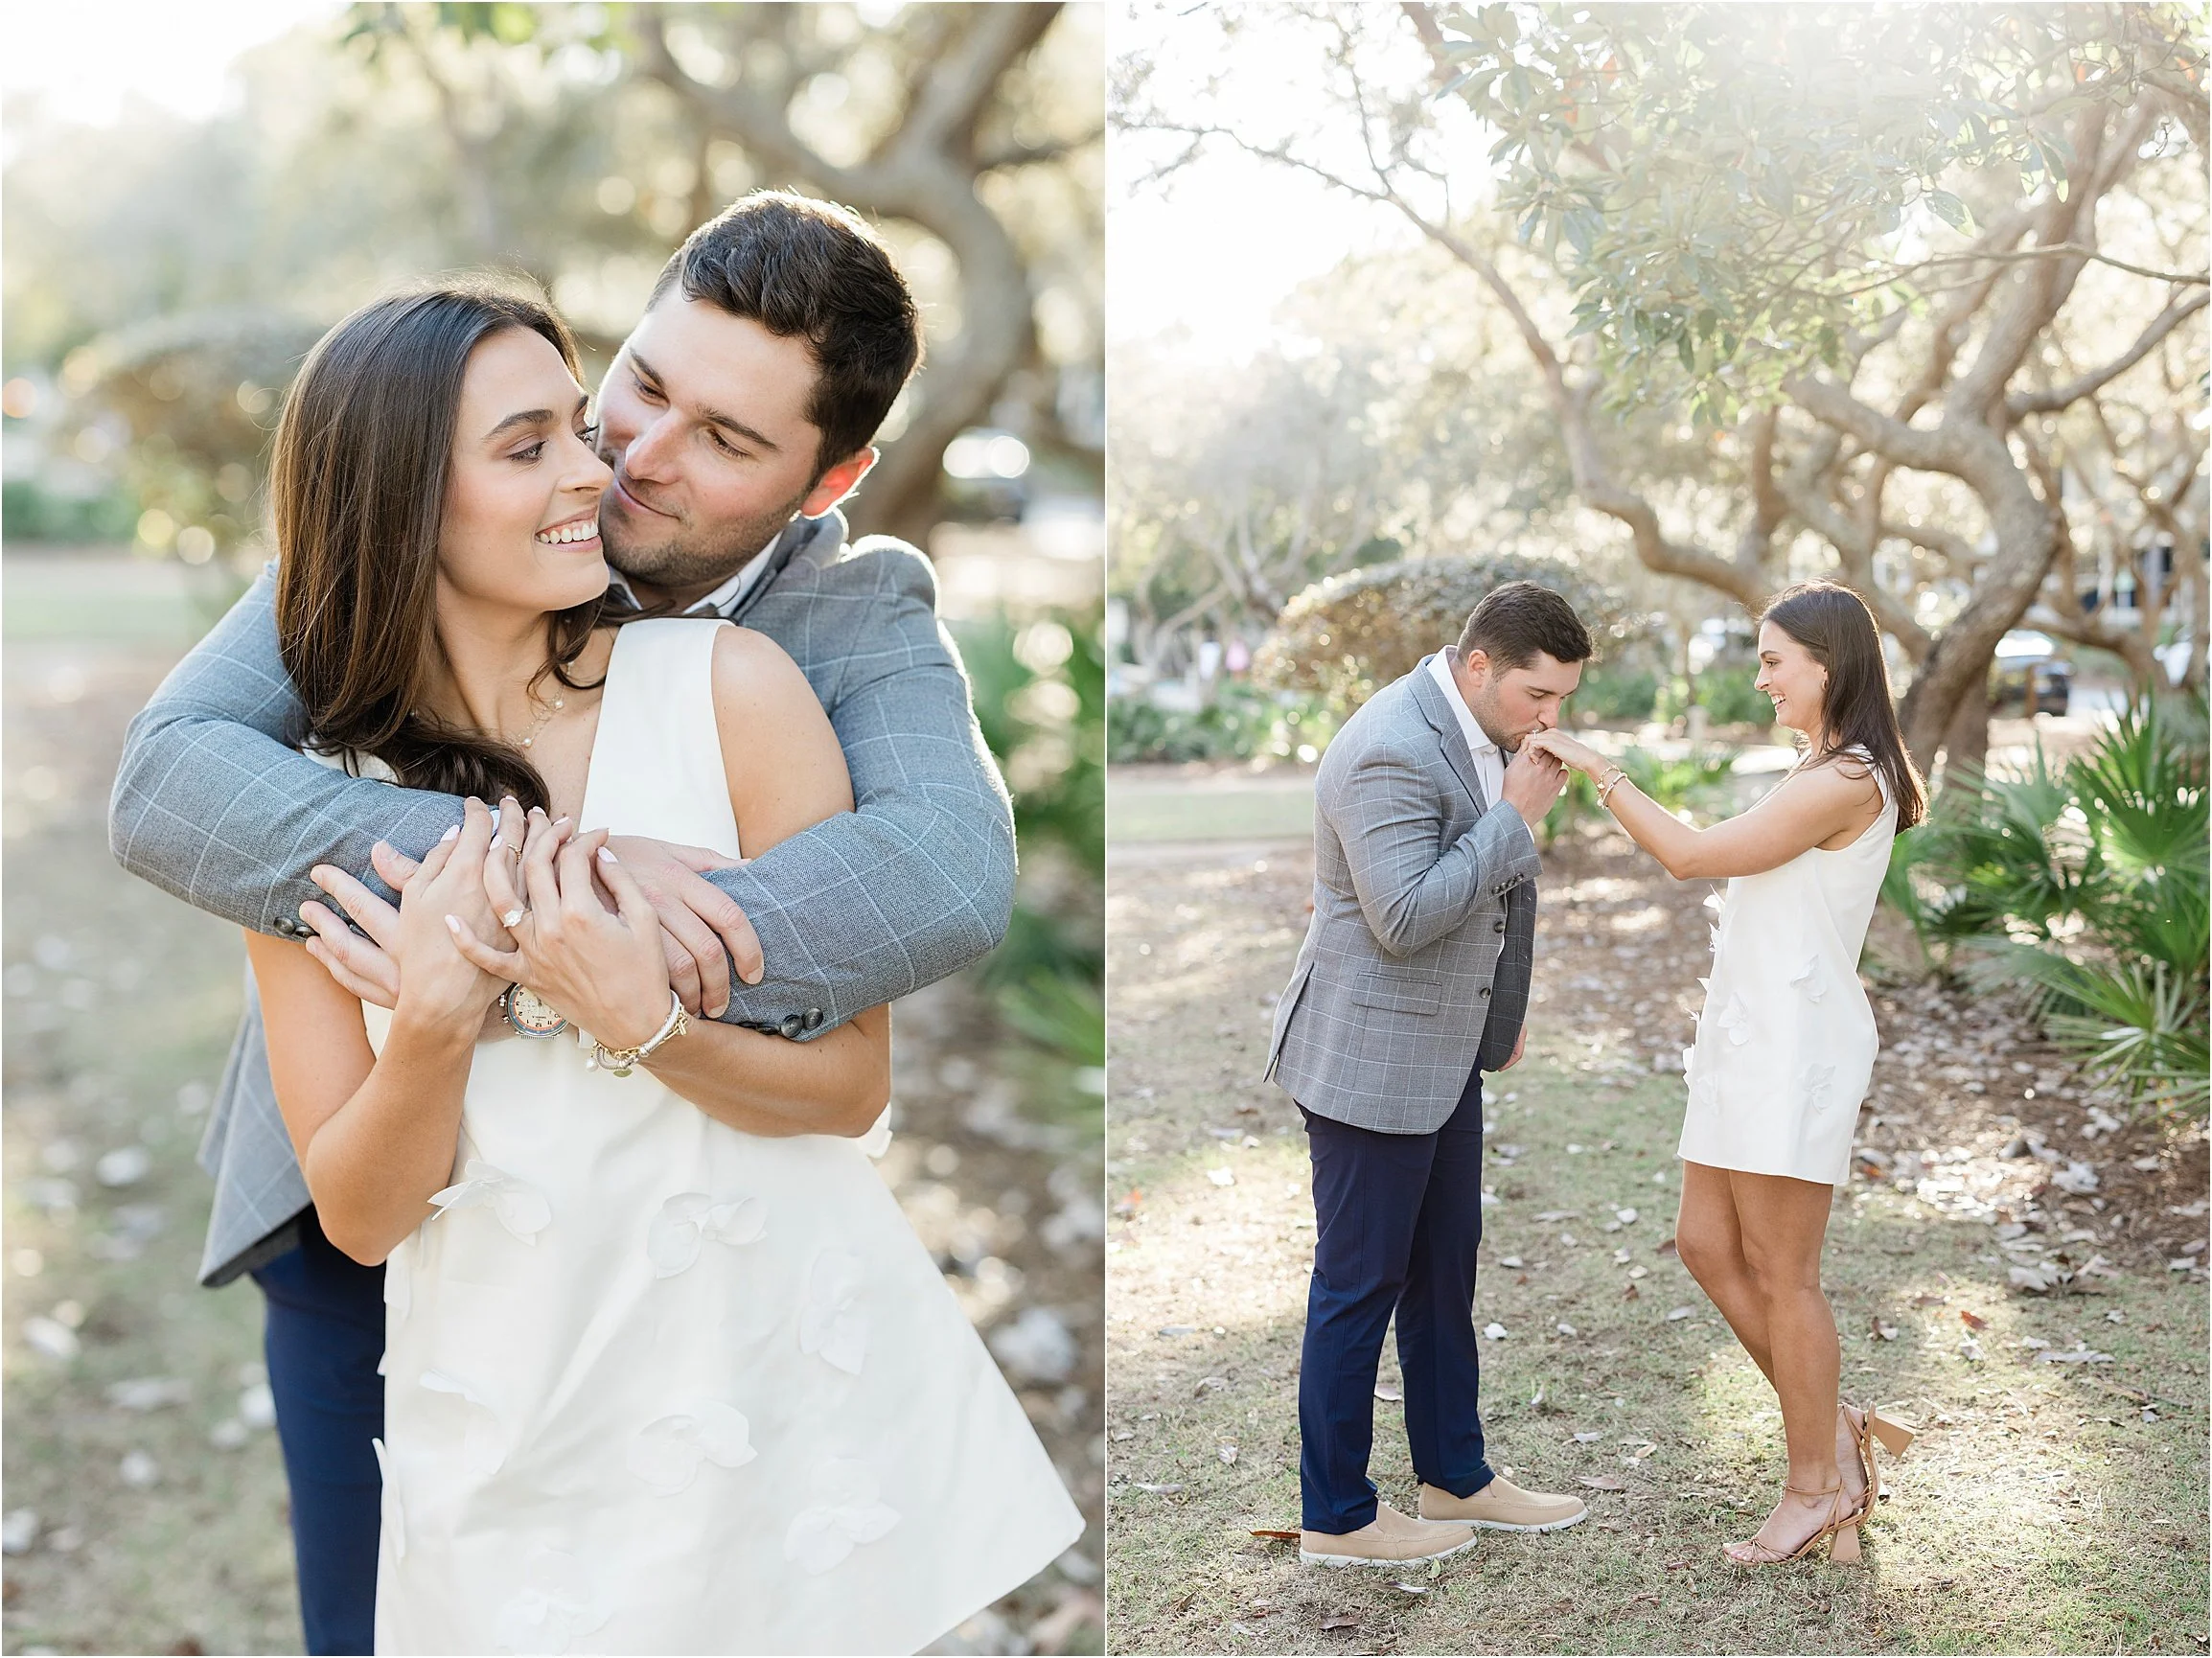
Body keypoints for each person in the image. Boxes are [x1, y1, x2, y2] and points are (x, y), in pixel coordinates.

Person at [107, 195, 1076, 1651]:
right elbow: (178, 785)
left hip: (675, 1253)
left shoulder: (830, 629)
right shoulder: (432, 502)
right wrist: (542, 883)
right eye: (642, 382)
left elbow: (939, 874)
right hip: (364, 1199)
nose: (628, 456)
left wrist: (602, 970)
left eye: (728, 439)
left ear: (832, 478)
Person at [1527, 579, 1923, 1568]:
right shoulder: (1814, 764)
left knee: (1786, 1274)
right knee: (1704, 1241)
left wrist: (1598, 768)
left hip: (1796, 1045)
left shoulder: (1847, 778)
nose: (1760, 679)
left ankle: (1816, 1486)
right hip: (1746, 1039)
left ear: (1825, 663)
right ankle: (1830, 1422)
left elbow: (1693, 857)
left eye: (1771, 660)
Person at [1263, 581, 1595, 1568]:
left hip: (1445, 1048)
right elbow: (1402, 916)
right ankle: (1337, 1514)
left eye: (1564, 699)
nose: (1552, 718)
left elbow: (1490, 903)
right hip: (1371, 1055)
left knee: (1445, 1266)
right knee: (1360, 1280)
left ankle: (1455, 1471)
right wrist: (1517, 815)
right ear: (1480, 664)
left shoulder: (1477, 724)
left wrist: (1503, 1012)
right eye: (1539, 694)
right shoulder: (1388, 747)